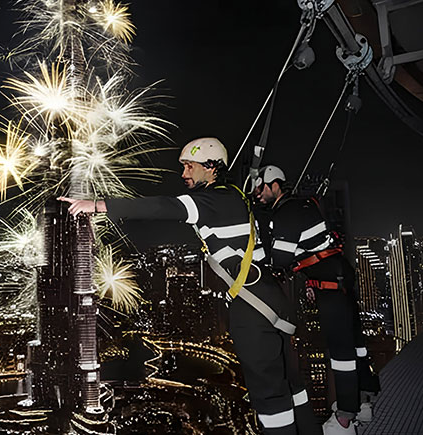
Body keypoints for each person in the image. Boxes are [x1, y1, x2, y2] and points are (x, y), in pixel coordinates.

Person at [59, 137, 319, 435]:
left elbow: (162, 207)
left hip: (251, 307)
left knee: (269, 396)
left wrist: (97, 205)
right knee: (291, 383)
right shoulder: (234, 197)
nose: (183, 174)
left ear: (211, 167)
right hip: (270, 296)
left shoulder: (211, 201)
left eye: (189, 166)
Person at [251, 165, 380, 433]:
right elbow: (312, 249)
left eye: (261, 188)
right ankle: (365, 397)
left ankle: (345, 417)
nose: (258, 194)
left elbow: (280, 260)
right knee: (354, 342)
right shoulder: (302, 205)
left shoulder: (286, 212)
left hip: (331, 285)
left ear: (275, 185)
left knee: (341, 351)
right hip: (337, 276)